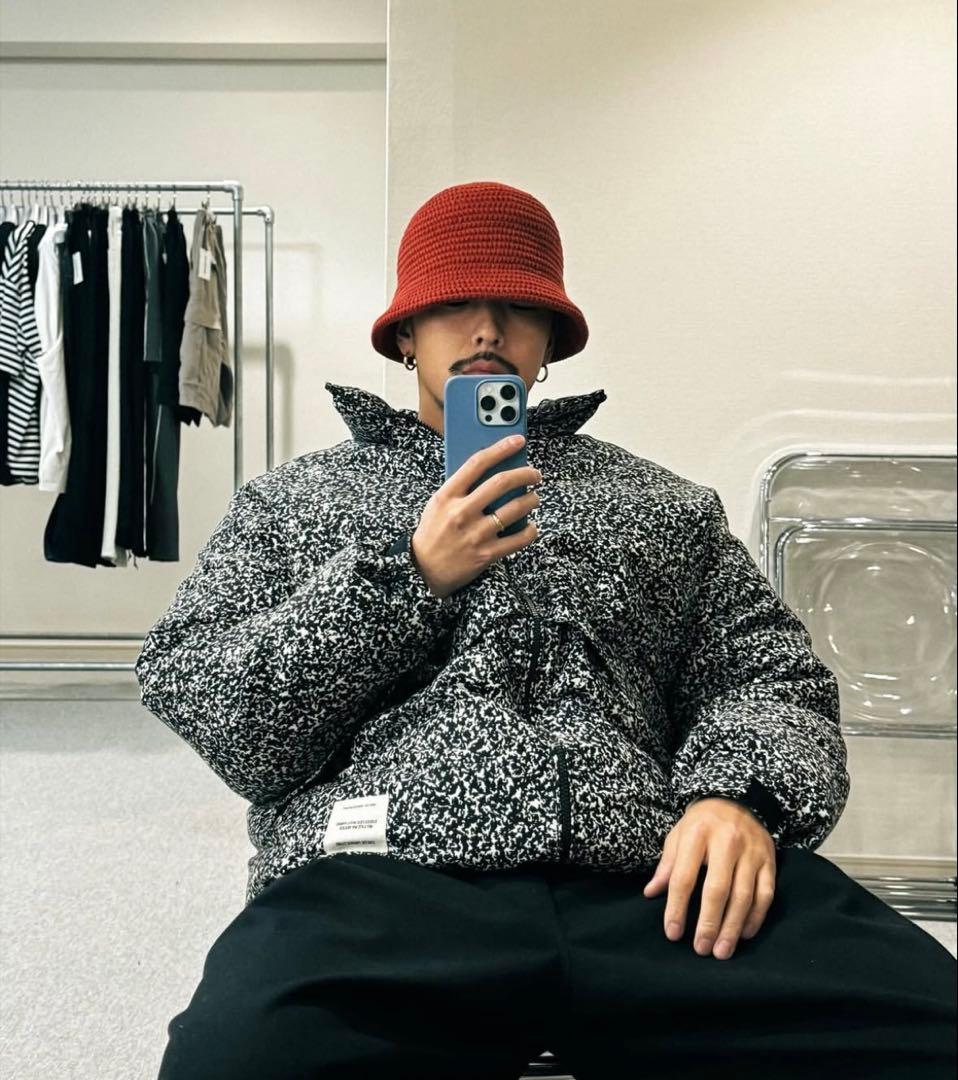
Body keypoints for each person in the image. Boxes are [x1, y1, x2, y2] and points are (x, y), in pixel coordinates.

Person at [141, 181, 956, 1079]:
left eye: (518, 308)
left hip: (655, 880)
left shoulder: (660, 505)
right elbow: (217, 704)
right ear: (406, 334)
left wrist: (736, 798)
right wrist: (409, 577)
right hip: (381, 880)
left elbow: (768, 675)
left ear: (550, 343)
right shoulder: (294, 502)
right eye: (454, 304)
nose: (487, 329)